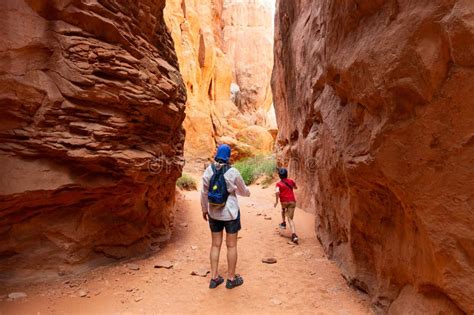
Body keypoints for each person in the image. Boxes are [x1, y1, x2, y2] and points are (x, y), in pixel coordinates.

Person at [201, 144, 250, 289]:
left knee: (215, 245)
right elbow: (243, 191)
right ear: (228, 156)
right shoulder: (233, 172)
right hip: (230, 214)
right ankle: (230, 279)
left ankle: (214, 278)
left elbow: (203, 192)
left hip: (214, 213)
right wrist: (247, 192)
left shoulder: (208, 170)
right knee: (232, 245)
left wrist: (204, 209)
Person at [274, 168, 299, 244]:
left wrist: (276, 201)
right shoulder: (291, 181)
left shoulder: (278, 184)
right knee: (290, 219)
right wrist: (293, 187)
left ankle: (283, 222)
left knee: (283, 209)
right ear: (286, 174)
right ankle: (294, 235)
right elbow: (295, 187)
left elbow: (277, 191)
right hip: (292, 201)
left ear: (279, 176)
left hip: (284, 202)